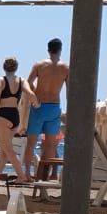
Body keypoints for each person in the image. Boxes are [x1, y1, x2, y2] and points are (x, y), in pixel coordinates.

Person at [25, 37, 68, 176]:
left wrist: (34, 94)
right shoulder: (66, 68)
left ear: (48, 50)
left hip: (39, 105)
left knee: (31, 142)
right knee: (50, 144)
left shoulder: (39, 65)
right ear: (60, 50)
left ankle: (26, 173)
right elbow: (70, 91)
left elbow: (27, 83)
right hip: (54, 106)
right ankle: (46, 175)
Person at [0, 57, 31, 180]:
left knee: (8, 149)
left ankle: (21, 176)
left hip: (3, 115)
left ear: (3, 67)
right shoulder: (22, 81)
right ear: (16, 67)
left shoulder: (0, 80)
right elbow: (30, 93)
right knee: (3, 149)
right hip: (14, 116)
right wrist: (36, 104)